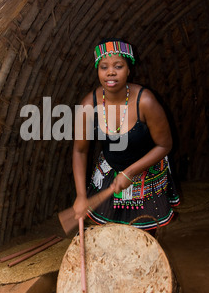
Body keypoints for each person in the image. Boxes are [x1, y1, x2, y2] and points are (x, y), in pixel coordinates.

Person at [72, 39, 180, 233]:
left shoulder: (145, 101)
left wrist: (130, 172)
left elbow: (165, 145)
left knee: (143, 238)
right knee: (111, 236)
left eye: (118, 66)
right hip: (111, 171)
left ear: (129, 70)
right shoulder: (89, 105)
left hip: (147, 173)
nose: (110, 72)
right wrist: (81, 195)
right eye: (104, 67)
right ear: (98, 71)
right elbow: (80, 151)